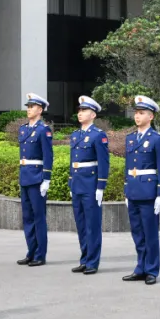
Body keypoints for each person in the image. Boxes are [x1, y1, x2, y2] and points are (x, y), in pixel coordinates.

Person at [122, 95, 160, 285]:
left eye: (141, 113)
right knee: (137, 233)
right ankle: (140, 267)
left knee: (150, 233)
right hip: (133, 190)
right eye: (136, 113)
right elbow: (127, 166)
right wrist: (126, 189)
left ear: (151, 116)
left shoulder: (157, 139)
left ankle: (152, 269)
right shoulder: (131, 138)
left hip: (148, 191)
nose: (137, 116)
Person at [69, 96, 110, 275]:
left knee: (92, 224)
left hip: (90, 184)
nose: (80, 113)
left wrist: (101, 186)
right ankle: (84, 259)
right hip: (77, 184)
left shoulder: (98, 135)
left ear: (93, 115)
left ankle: (93, 262)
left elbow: (103, 162)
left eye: (84, 110)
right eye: (79, 110)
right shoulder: (75, 135)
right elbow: (73, 162)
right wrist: (71, 182)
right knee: (81, 224)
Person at [16, 93, 53, 267]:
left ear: (40, 110)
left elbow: (48, 155)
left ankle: (40, 254)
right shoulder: (23, 129)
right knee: (27, 217)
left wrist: (46, 179)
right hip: (25, 176)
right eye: (28, 107)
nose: (29, 109)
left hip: (37, 178)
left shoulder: (43, 130)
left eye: (32, 107)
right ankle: (31, 251)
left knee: (38, 218)